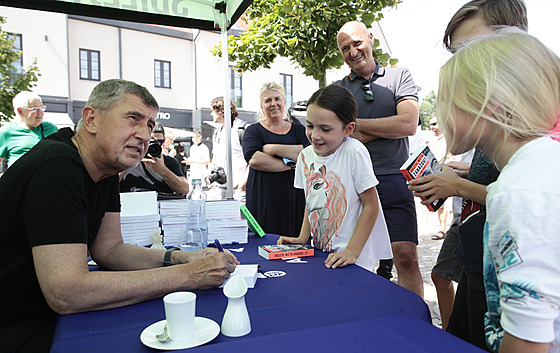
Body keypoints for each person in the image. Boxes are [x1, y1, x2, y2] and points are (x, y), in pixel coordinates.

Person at [0, 79, 238, 353]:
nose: (144, 135)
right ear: (91, 119)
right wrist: (188, 275)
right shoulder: (57, 165)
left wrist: (178, 257)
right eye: (133, 119)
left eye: (149, 125)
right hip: (14, 324)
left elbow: (109, 249)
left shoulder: (105, 170)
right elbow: (67, 292)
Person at [408, 1, 528, 349]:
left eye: (471, 49)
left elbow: (528, 196)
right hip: (478, 255)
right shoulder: (494, 116)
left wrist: (458, 184)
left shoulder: (536, 128)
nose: (462, 66)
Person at [437, 29, 560, 353]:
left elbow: (527, 342)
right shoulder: (543, 166)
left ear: (489, 106)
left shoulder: (516, 193)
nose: (440, 114)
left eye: (448, 100)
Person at [335, 21, 423, 297]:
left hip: (394, 179)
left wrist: (358, 125)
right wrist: (387, 129)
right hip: (353, 184)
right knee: (357, 259)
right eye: (345, 48)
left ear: (371, 39)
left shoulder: (400, 76)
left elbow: (409, 123)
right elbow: (339, 136)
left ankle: (417, 324)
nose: (352, 51)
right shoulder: (338, 90)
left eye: (357, 43)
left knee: (405, 256)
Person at [277, 84, 392, 271]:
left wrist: (352, 252)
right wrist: (302, 238)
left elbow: (371, 205)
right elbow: (311, 201)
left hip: (354, 258)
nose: (315, 135)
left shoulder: (354, 152)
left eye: (325, 129)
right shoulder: (305, 156)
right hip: (322, 253)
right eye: (310, 126)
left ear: (348, 129)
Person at [242, 82, 309, 237]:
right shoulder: (253, 131)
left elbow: (308, 154)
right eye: (268, 100)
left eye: (277, 99)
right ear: (261, 106)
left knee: (295, 246)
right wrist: (292, 163)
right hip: (263, 199)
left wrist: (272, 149)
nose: (274, 104)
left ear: (284, 102)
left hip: (294, 198)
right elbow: (255, 159)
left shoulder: (299, 130)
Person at [120, 121, 190, 194]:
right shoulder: (129, 159)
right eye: (150, 141)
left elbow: (185, 190)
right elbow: (109, 184)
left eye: (159, 142)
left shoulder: (169, 162)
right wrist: (131, 159)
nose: (154, 146)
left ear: (164, 141)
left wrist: (162, 170)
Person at [0, 91, 58, 168]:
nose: (41, 112)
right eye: (35, 109)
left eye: (41, 107)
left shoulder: (51, 129)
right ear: (20, 111)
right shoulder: (6, 132)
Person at [208, 97, 249, 202]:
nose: (211, 114)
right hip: (218, 188)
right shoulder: (217, 132)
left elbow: (253, 161)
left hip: (237, 189)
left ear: (221, 111)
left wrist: (242, 186)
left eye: (212, 110)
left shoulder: (242, 129)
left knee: (239, 217)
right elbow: (215, 157)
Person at [428, 114, 452, 241]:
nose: (432, 127)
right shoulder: (431, 139)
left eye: (434, 124)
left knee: (452, 205)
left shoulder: (449, 137)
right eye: (430, 124)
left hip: (449, 173)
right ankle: (443, 229)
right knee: (441, 204)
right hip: (435, 173)